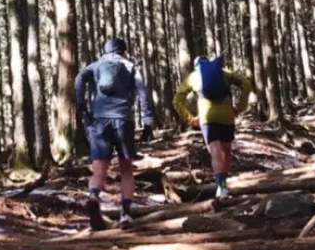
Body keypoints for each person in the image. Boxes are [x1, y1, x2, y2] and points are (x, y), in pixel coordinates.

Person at [75, 37, 154, 228]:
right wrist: (147, 122)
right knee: (126, 169)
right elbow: (142, 92)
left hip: (99, 120)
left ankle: (93, 196)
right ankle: (125, 213)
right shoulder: (130, 66)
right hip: (123, 120)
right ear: (124, 51)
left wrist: (82, 107)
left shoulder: (96, 66)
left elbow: (79, 79)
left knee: (99, 168)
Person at [173, 55, 253, 199]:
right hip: (227, 116)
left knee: (215, 151)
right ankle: (224, 184)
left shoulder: (193, 77)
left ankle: (221, 187)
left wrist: (190, 118)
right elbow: (245, 84)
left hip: (207, 117)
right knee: (226, 150)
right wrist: (239, 107)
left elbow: (177, 100)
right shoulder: (224, 72)